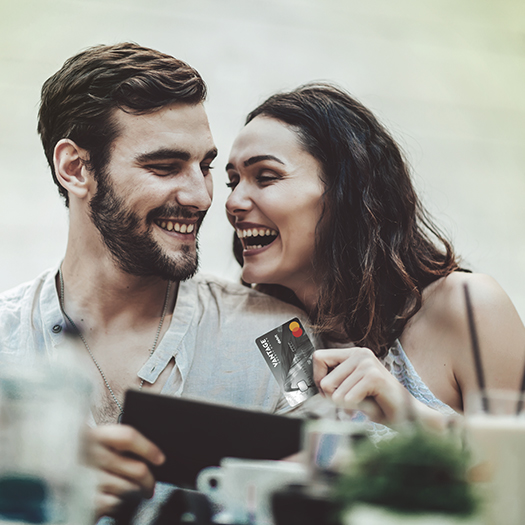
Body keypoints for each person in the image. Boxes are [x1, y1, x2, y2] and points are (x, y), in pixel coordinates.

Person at [0, 43, 311, 522]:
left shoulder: (283, 335)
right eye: (165, 166)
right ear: (76, 168)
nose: (201, 195)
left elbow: (347, 474)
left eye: (205, 166)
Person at [225, 82, 525, 429]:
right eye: (233, 182)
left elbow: (515, 472)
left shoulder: (470, 304)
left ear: (344, 193)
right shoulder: (281, 333)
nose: (233, 203)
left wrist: (406, 412)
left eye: (265, 177)